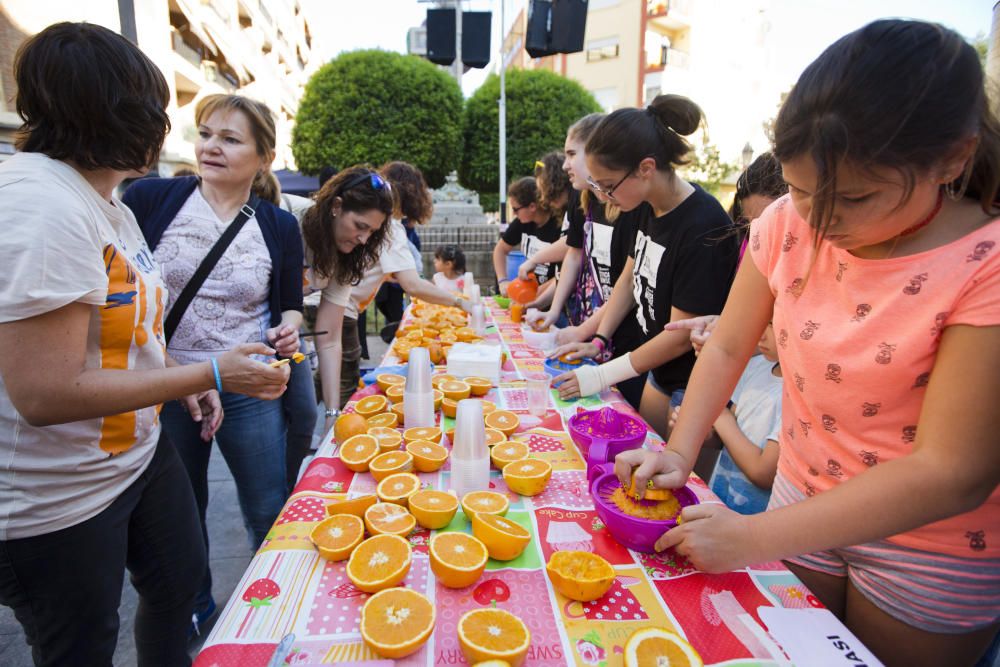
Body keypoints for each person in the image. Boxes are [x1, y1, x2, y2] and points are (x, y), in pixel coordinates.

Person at [618, 21, 1000, 666]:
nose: (820, 220)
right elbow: (728, 345)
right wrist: (680, 451)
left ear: (953, 159)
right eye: (799, 189)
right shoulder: (783, 224)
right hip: (800, 495)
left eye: (854, 197)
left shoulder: (983, 262)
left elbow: (951, 472)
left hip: (933, 545)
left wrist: (752, 536)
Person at [0, 23, 289, 666]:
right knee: (80, 648)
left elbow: (128, 337)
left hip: (136, 457)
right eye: (155, 109)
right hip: (57, 499)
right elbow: (46, 393)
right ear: (113, 112)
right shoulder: (38, 207)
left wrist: (183, 379)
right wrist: (209, 373)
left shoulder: (112, 203)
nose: (172, 128)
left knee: (180, 589)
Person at [124, 93, 304, 633]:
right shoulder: (151, 198)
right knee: (181, 514)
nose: (211, 147)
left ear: (262, 157)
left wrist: (289, 327)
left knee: (267, 505)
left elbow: (288, 299)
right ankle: (197, 608)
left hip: (249, 383)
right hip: (168, 382)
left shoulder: (278, 223)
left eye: (229, 139)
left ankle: (269, 603)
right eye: (205, 134)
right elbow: (125, 293)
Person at [550, 95, 738, 439]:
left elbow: (680, 337)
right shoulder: (644, 206)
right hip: (657, 370)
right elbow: (629, 277)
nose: (604, 197)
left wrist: (603, 375)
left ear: (646, 168)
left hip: (694, 384)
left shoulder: (703, 225)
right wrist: (600, 339)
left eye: (608, 186)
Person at [338, 162, 472, 408]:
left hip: (335, 305)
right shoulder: (390, 227)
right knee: (344, 384)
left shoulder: (381, 222)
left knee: (327, 379)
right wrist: (459, 302)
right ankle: (333, 436)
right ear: (413, 193)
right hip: (340, 309)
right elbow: (414, 285)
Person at [667, 153, 788, 355]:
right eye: (751, 226)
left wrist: (732, 338)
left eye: (771, 224)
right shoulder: (748, 246)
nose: (759, 236)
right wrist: (723, 329)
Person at [301, 166, 394, 428]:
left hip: (281, 338)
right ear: (336, 206)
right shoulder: (291, 221)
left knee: (305, 414)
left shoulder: (345, 257)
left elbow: (329, 338)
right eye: (360, 226)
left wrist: (332, 413)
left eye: (372, 232)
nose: (364, 239)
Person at [671, 318, 782, 515]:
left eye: (773, 325)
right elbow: (729, 436)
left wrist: (719, 415)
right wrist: (703, 433)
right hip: (721, 502)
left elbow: (763, 473)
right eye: (763, 321)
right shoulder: (758, 365)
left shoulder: (797, 399)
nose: (762, 334)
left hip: (753, 523)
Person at [494, 177, 564, 298]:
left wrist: (535, 295)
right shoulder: (522, 222)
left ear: (532, 207)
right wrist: (502, 281)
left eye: (516, 209)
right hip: (531, 296)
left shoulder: (559, 225)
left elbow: (564, 274)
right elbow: (500, 250)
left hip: (554, 300)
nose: (514, 214)